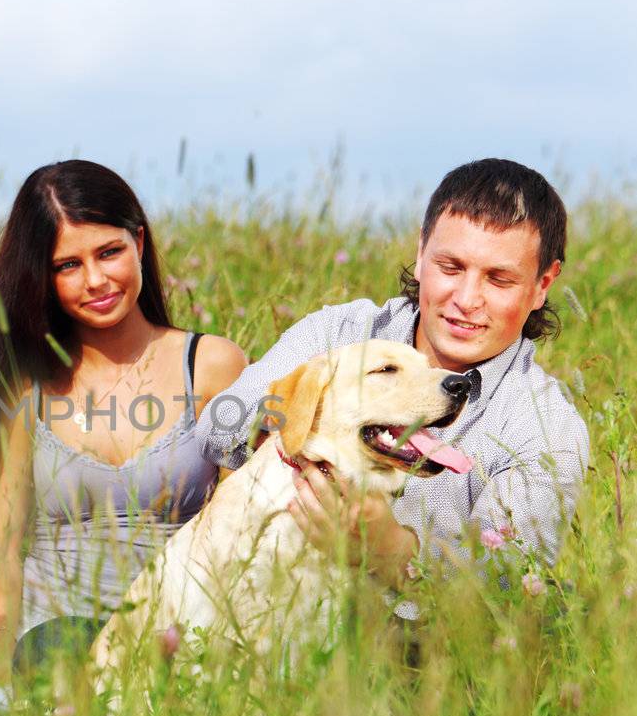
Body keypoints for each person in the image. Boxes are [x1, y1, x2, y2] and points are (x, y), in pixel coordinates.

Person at [200, 157, 589, 581]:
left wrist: (392, 552)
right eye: (451, 267)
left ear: (542, 285)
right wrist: (328, 457)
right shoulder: (341, 332)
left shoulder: (547, 428)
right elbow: (221, 426)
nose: (467, 298)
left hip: (415, 643)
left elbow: (507, 581)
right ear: (421, 254)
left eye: (498, 280)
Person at [0, 160, 247, 680]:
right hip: (42, 641)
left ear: (139, 241)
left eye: (109, 252)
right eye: (68, 265)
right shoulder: (27, 385)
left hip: (172, 639)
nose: (95, 280)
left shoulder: (213, 366)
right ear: (42, 276)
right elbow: (1, 543)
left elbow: (244, 530)